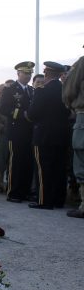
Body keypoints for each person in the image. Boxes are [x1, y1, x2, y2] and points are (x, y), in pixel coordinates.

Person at [27, 61, 71, 210]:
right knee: (59, 168)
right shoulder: (65, 90)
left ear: (46, 73)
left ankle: (44, 200)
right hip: (62, 135)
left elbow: (33, 114)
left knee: (43, 169)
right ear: (59, 74)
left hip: (44, 135)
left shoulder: (42, 91)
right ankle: (58, 199)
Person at [0, 61, 36, 203]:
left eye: (29, 73)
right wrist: (22, 114)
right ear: (18, 73)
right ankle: (13, 192)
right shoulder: (10, 89)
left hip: (30, 131)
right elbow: (4, 109)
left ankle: (25, 191)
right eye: (25, 73)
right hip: (16, 130)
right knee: (16, 162)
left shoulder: (32, 90)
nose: (27, 76)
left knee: (28, 162)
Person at [63, 56, 84, 218]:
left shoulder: (82, 63)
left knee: (81, 162)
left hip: (82, 116)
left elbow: (69, 90)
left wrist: (70, 106)